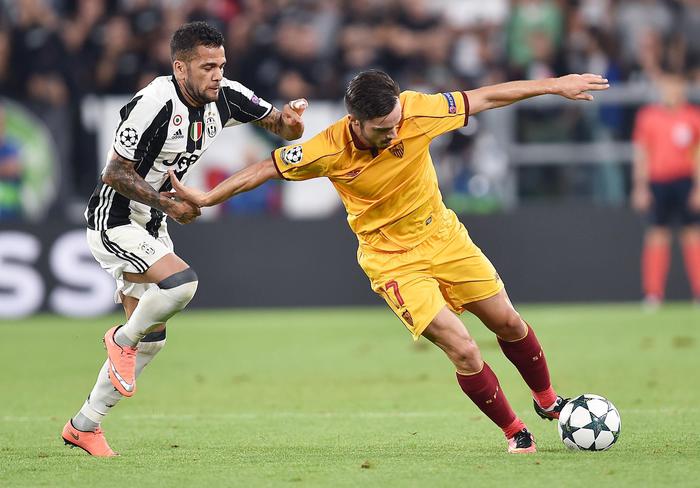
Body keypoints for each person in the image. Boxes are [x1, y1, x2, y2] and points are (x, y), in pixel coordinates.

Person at [167, 69, 609, 453]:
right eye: (383, 129)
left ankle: (548, 399)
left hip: (444, 237)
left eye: (397, 123)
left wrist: (555, 86)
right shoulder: (327, 148)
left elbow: (487, 96)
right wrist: (206, 197)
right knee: (464, 347)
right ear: (354, 122)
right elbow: (265, 168)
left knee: (509, 324)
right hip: (392, 260)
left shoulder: (417, 111)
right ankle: (516, 432)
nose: (395, 133)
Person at [61, 21, 307, 457]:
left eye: (221, 64)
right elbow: (114, 173)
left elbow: (280, 127)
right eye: (207, 66)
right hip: (115, 219)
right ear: (180, 68)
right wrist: (169, 203)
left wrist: (291, 123)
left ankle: (85, 425)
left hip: (153, 224)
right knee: (182, 283)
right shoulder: (153, 103)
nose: (217, 74)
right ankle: (119, 339)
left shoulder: (226, 95)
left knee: (152, 340)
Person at [631, 73, 700, 307]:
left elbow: (698, 155)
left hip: (685, 180)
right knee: (657, 236)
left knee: (692, 235)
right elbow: (642, 153)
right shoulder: (648, 116)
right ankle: (653, 293)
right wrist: (640, 187)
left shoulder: (693, 116)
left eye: (676, 85)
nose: (671, 90)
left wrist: (698, 188)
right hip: (658, 182)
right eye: (667, 85)